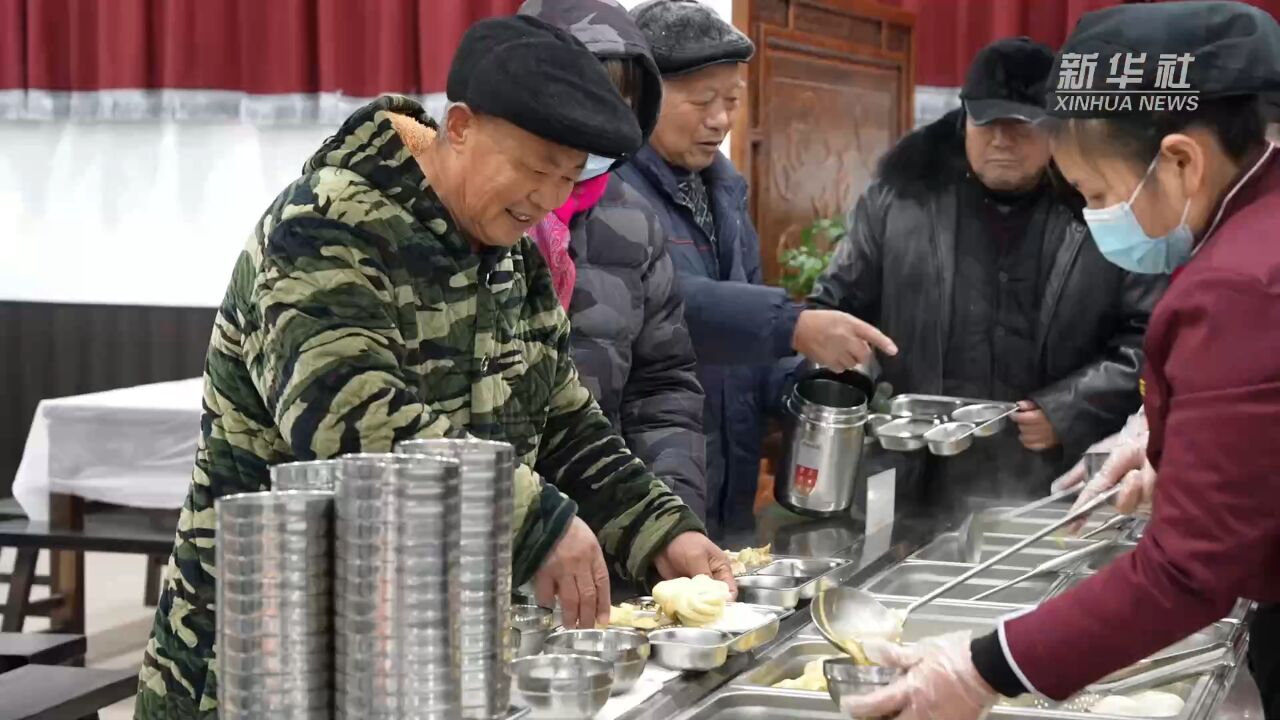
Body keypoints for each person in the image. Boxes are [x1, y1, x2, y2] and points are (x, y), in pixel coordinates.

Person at [135, 17, 735, 718]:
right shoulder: (326, 226)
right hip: (269, 650)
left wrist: (663, 530)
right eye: (534, 167)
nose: (545, 197)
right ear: (460, 127)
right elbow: (348, 420)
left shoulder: (512, 253)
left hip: (417, 652)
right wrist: (536, 519)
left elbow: (565, 419)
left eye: (567, 177)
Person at [841, 3, 1280, 718]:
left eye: (1098, 194)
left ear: (1179, 160)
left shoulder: (1236, 283)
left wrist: (983, 668)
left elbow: (1185, 574)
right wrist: (1169, 450)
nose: (1097, 213)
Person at [808, 37, 1165, 511]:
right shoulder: (901, 198)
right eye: (985, 122)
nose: (1001, 139)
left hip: (1057, 477)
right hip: (919, 475)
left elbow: (1152, 339)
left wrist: (1068, 407)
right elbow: (837, 309)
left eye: (1020, 125)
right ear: (963, 117)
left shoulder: (1103, 208)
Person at [616, 0, 896, 537]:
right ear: (642, 94)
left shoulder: (723, 192)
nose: (720, 120)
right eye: (703, 102)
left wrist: (817, 382)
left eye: (732, 101)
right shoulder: (610, 194)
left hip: (727, 491)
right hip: (643, 493)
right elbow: (665, 305)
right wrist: (791, 326)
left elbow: (742, 344)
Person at [517, 0, 708, 519]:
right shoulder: (485, 215)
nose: (598, 122)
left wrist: (672, 522)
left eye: (618, 102)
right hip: (485, 537)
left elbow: (662, 389)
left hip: (609, 532)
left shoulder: (634, 223)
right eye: (582, 99)